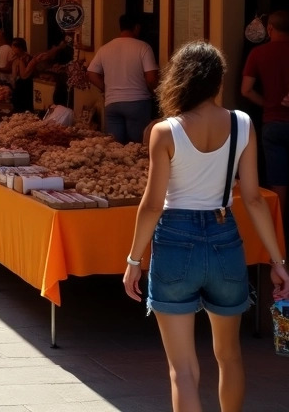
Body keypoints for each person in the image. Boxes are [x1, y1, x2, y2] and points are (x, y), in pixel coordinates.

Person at [123, 41, 288, 412]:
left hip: (175, 240)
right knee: (229, 356)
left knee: (181, 369)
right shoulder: (242, 123)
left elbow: (151, 204)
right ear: (219, 81)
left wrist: (134, 260)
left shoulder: (165, 131)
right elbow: (255, 198)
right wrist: (278, 261)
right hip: (224, 236)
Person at [241, 8, 289, 223]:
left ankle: (278, 228)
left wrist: (267, 104)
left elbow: (246, 89)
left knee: (278, 181)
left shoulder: (258, 53)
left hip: (273, 123)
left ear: (270, 28)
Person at [88, 14, 159, 144]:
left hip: (112, 104)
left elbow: (91, 73)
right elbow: (151, 78)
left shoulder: (105, 48)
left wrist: (106, 88)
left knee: (116, 147)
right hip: (137, 103)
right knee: (137, 147)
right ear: (137, 28)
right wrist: (156, 93)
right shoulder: (143, 47)